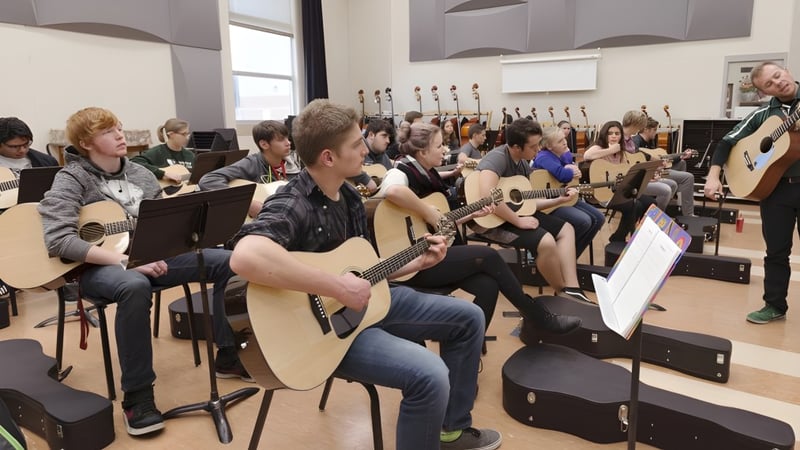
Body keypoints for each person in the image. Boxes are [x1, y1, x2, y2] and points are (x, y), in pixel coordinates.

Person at [229, 99, 502, 450]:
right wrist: (336, 286)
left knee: (470, 317)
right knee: (430, 375)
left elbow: (367, 269)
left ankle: (450, 430)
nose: (365, 150)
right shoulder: (291, 202)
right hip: (328, 333)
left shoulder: (351, 197)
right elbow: (245, 256)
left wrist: (417, 263)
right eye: (357, 144)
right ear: (328, 157)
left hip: (371, 304)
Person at [37, 107, 245, 437]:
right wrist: (125, 261)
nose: (120, 135)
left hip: (150, 258)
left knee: (230, 261)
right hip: (99, 268)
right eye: (109, 132)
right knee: (134, 285)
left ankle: (229, 355)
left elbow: (163, 226)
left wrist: (165, 245)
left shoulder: (141, 175)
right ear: (87, 143)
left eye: (119, 128)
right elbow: (58, 239)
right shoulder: (72, 178)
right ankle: (137, 397)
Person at [375, 122, 581, 333]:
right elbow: (392, 191)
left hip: (437, 248)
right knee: (489, 256)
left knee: (488, 286)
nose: (445, 150)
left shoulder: (431, 175)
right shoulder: (402, 169)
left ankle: (470, 342)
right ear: (422, 151)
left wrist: (471, 214)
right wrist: (429, 213)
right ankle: (537, 317)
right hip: (413, 260)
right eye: (439, 146)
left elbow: (442, 221)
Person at [704, 61, 800, 324]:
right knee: (776, 251)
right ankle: (774, 305)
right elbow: (727, 142)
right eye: (769, 83)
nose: (778, 82)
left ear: (788, 71)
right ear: (765, 91)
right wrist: (713, 175)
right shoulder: (762, 114)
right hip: (775, 190)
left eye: (779, 75)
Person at [472, 118, 592, 303]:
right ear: (516, 147)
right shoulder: (498, 157)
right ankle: (561, 291)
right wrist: (518, 221)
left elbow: (528, 202)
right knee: (547, 243)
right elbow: (487, 196)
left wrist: (557, 200)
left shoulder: (523, 164)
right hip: (490, 220)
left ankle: (573, 288)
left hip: (514, 213)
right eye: (534, 146)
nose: (538, 150)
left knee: (567, 229)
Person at [532, 126, 604, 258]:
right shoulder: (543, 157)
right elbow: (562, 175)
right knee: (584, 221)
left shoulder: (559, 155)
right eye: (560, 141)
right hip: (549, 203)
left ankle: (571, 256)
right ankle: (562, 256)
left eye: (564, 139)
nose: (565, 142)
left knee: (599, 218)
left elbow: (570, 165)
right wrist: (570, 169)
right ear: (548, 146)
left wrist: (570, 164)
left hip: (564, 197)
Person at [198, 120, 293, 218]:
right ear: (264, 144)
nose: (288, 143)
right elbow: (208, 180)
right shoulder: (251, 163)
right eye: (281, 139)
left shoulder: (294, 166)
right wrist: (246, 204)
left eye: (287, 138)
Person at [583, 121, 657, 243]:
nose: (613, 136)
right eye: (610, 133)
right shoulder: (599, 147)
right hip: (605, 195)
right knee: (635, 205)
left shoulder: (623, 152)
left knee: (651, 202)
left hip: (621, 191)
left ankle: (626, 236)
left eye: (617, 133)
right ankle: (619, 239)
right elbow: (587, 155)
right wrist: (610, 150)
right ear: (604, 135)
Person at [633, 117, 697, 216]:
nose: (656, 132)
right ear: (646, 129)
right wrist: (652, 159)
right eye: (654, 130)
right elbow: (634, 153)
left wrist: (681, 156)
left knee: (681, 163)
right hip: (651, 174)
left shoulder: (650, 142)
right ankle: (688, 214)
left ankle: (677, 199)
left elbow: (663, 158)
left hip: (659, 170)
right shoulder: (635, 140)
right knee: (688, 177)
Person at [620, 110, 677, 211]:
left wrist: (651, 172)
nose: (640, 129)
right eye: (640, 126)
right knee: (666, 190)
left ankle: (655, 216)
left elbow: (638, 161)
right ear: (635, 124)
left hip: (636, 178)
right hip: (627, 182)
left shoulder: (630, 142)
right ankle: (653, 219)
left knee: (672, 185)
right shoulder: (621, 140)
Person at [130, 118, 194, 182]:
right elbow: (134, 162)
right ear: (171, 134)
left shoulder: (190, 155)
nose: (187, 137)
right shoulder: (157, 152)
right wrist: (162, 174)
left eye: (188, 133)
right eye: (183, 134)